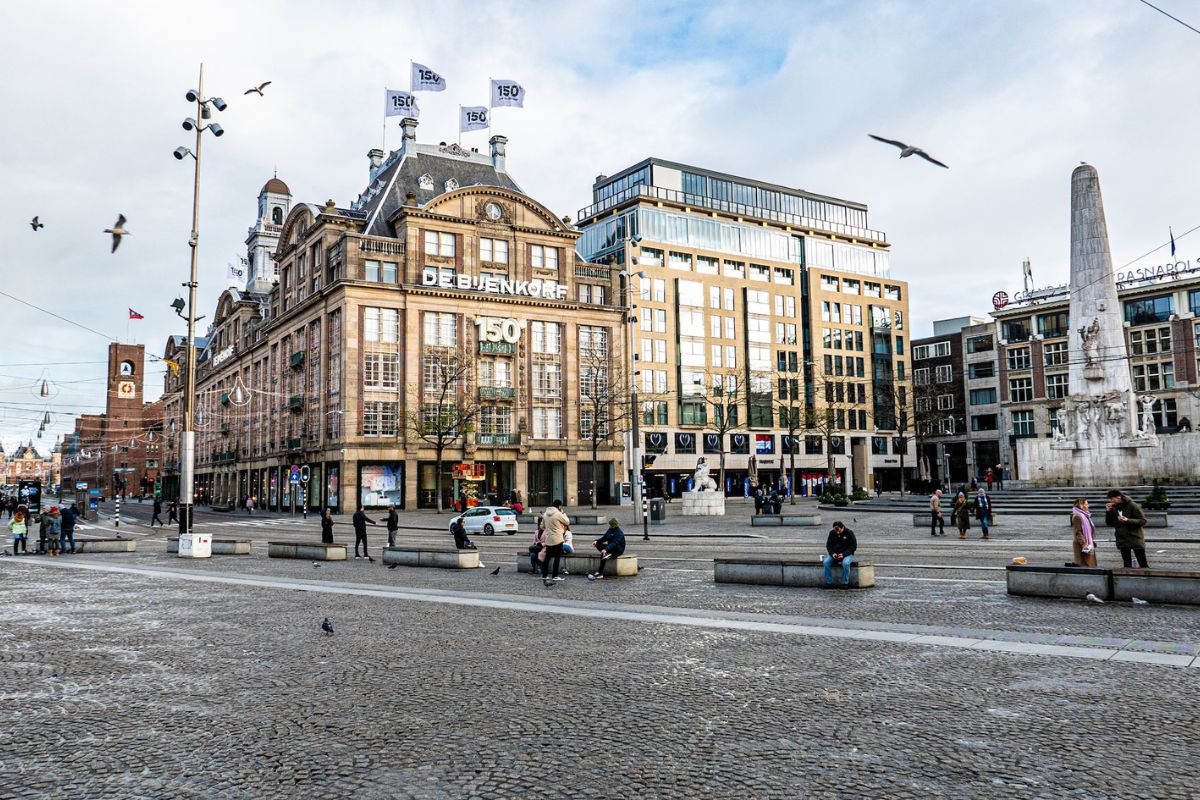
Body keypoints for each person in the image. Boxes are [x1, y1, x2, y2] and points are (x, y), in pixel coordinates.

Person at [1105, 489, 1148, 569]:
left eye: (1111, 499)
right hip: (1122, 538)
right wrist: (1108, 511)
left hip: (1135, 537)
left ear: (1118, 497)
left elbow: (1143, 521)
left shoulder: (1132, 505)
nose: (1110, 501)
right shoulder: (1114, 507)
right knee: (1127, 565)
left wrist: (1128, 520)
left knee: (1143, 564)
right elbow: (1109, 523)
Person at [541, 499, 570, 586]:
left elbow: (543, 526)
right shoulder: (558, 514)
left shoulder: (546, 514)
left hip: (549, 538)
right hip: (557, 538)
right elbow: (567, 522)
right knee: (557, 558)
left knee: (547, 558)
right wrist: (563, 513)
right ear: (559, 506)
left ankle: (544, 575)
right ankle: (555, 575)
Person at [823, 521, 858, 588]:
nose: (837, 532)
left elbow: (854, 546)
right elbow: (828, 546)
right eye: (836, 531)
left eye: (839, 531)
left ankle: (844, 582)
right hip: (835, 554)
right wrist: (832, 553)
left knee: (845, 563)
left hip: (847, 554)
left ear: (842, 527)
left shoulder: (849, 533)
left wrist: (843, 554)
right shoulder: (832, 533)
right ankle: (829, 582)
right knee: (826, 562)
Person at [1071, 498, 1098, 568]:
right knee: (1085, 565)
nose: (1088, 506)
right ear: (1081, 505)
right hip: (1082, 545)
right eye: (1086, 504)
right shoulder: (1077, 516)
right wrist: (1084, 544)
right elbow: (1078, 532)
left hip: (1087, 543)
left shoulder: (1085, 515)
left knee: (1089, 565)